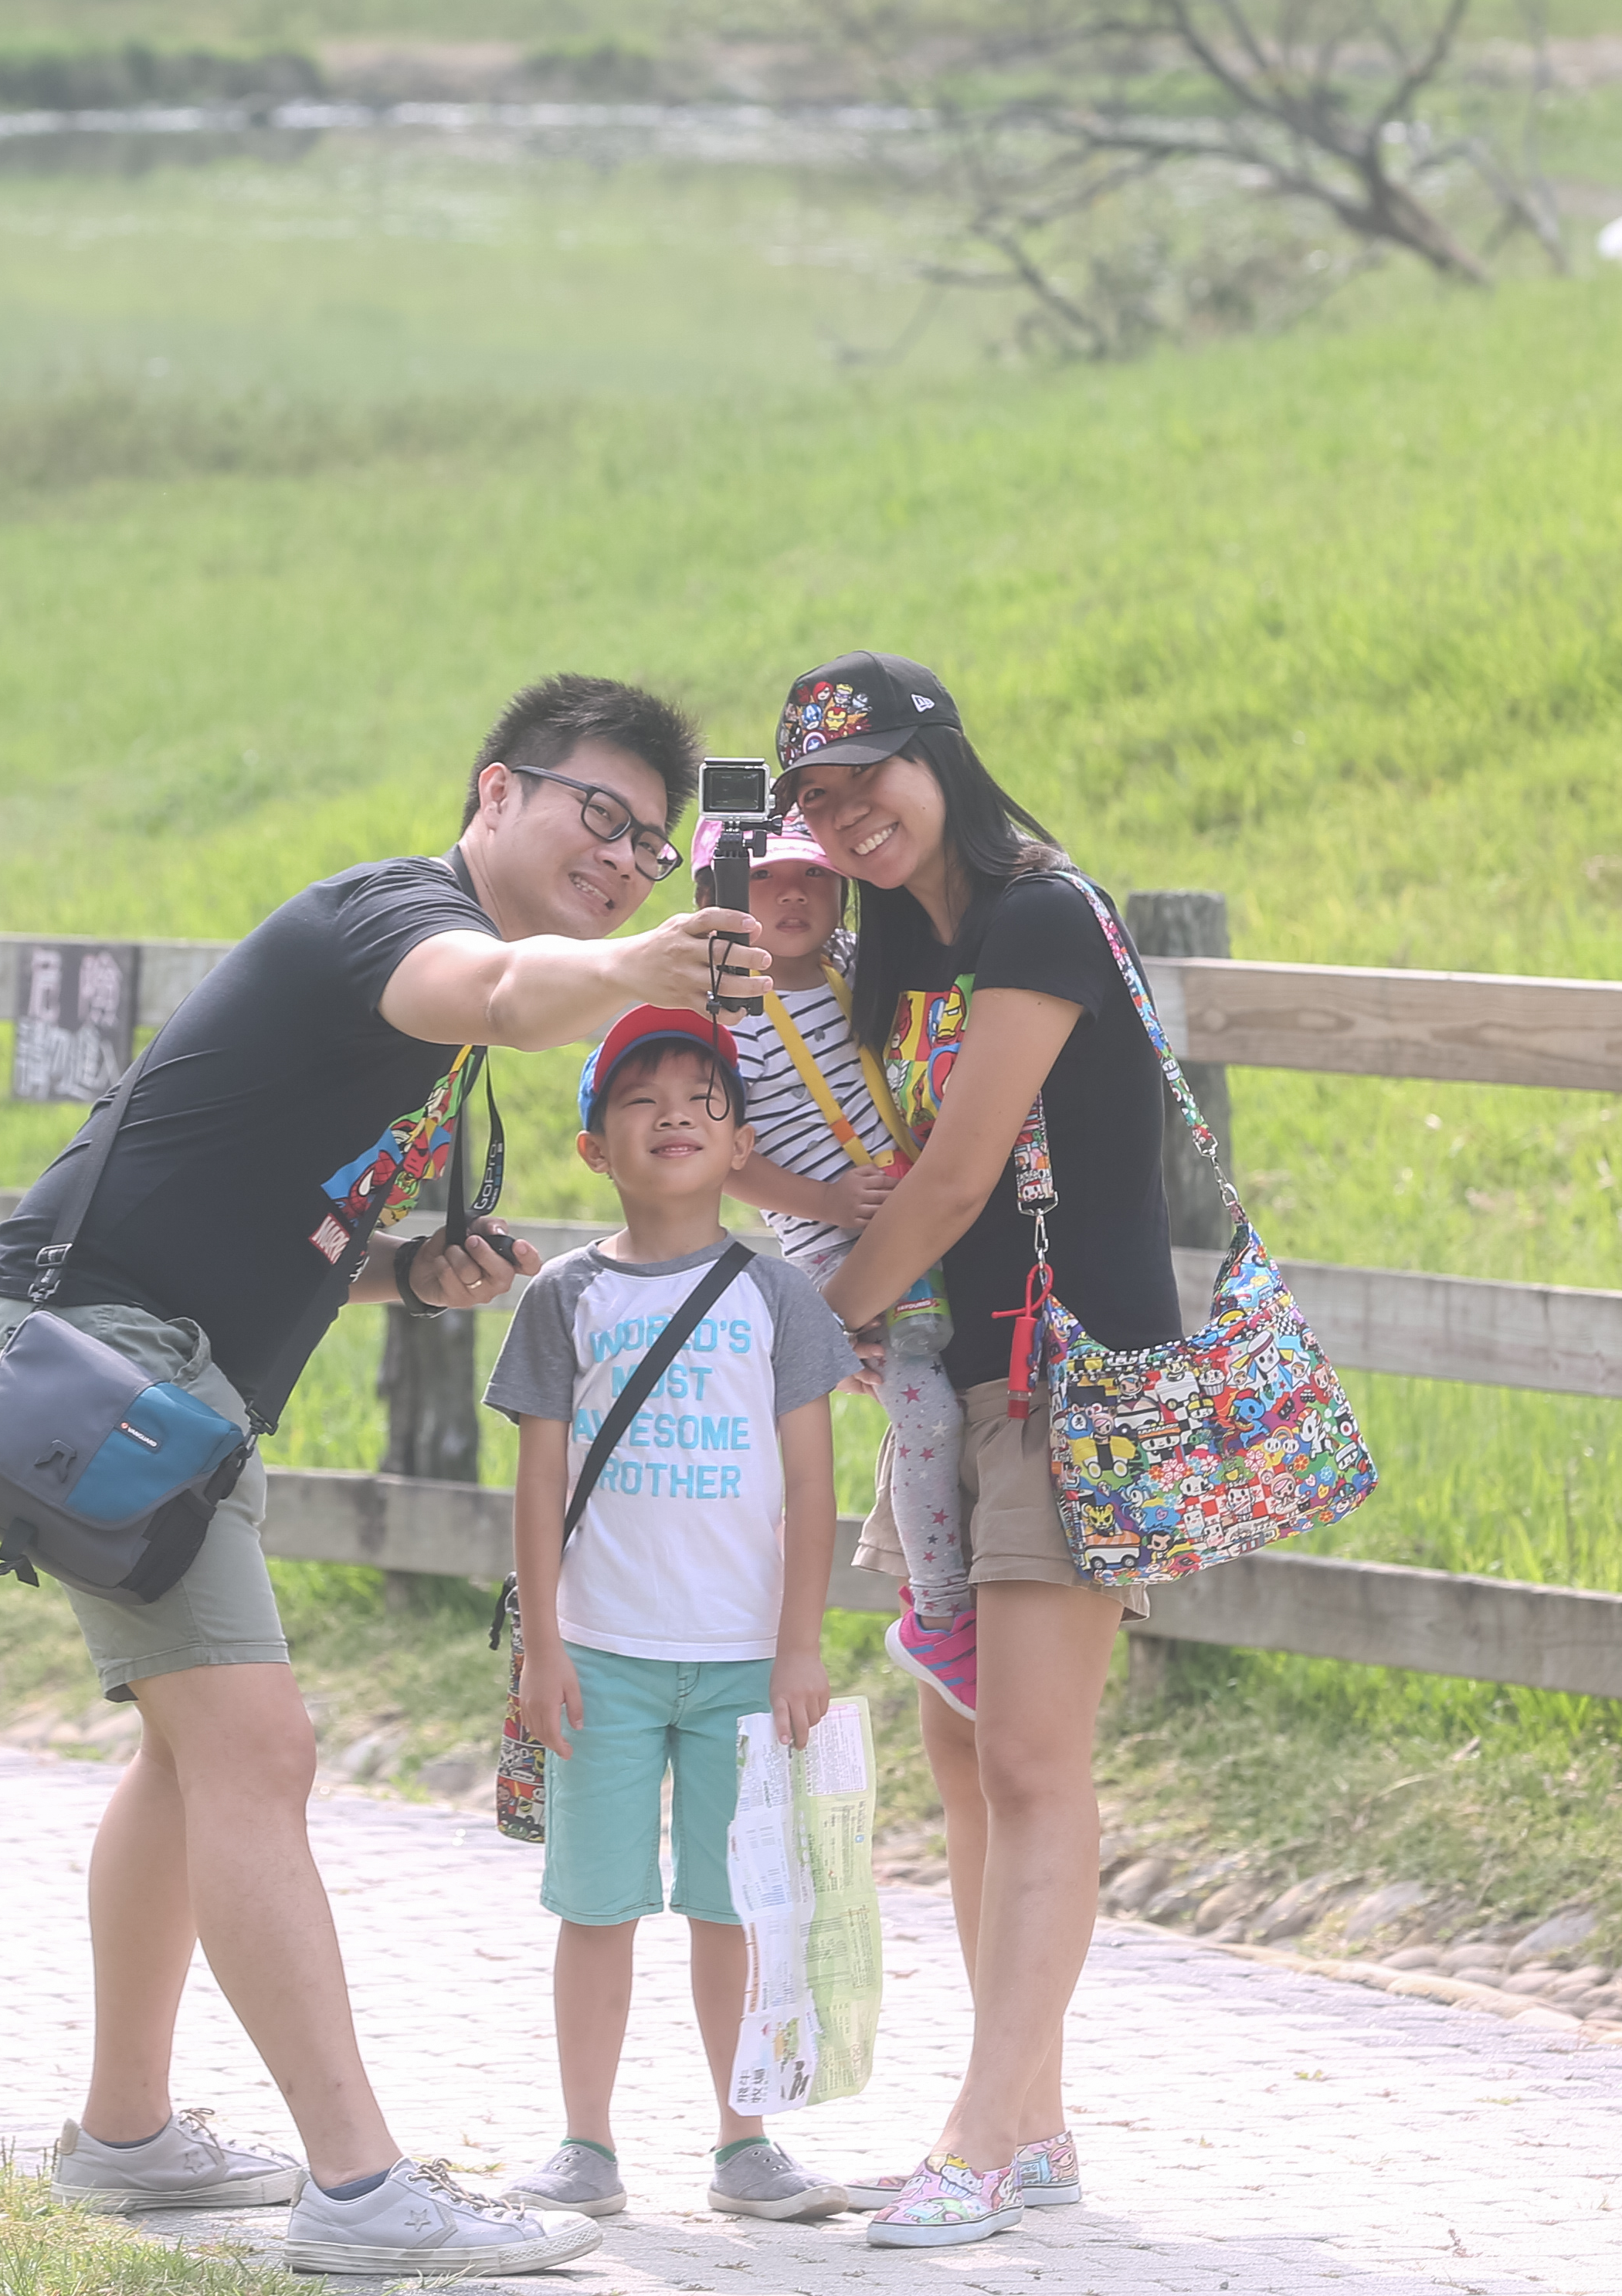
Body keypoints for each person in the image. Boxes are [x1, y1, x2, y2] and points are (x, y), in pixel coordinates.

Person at [0, 673, 757, 2280]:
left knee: (191, 1767)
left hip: (163, 1382)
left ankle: (125, 2141)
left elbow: (277, 1210)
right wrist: (630, 971)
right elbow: (510, 989)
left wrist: (403, 1275)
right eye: (598, 815)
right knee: (260, 1754)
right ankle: (360, 2186)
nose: (621, 857)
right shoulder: (387, 923)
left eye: (652, 849)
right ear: (494, 793)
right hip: (107, 1367)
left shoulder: (431, 1010)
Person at [775, 650, 1179, 2252]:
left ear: (941, 755)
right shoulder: (905, 946)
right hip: (950, 1382)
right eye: (815, 792)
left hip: (1070, 1378)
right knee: (963, 1760)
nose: (847, 811)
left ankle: (978, 2136)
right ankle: (1036, 2124)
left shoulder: (1033, 914)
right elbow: (875, 1174)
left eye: (868, 773)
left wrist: (811, 1329)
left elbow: (948, 1188)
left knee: (1029, 1759)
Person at [486, 1007, 865, 2227]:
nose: (675, 1115)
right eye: (642, 1099)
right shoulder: (564, 1297)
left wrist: (800, 1642)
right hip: (600, 1657)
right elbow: (539, 1483)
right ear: (596, 1146)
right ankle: (584, 2144)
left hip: (746, 1660)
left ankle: (743, 2142)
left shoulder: (778, 1296)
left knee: (732, 1904)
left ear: (740, 1140)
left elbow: (814, 1485)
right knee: (596, 1905)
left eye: (703, 1097)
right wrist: (542, 1649)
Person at [714, 816, 976, 1715]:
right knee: (927, 1412)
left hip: (922, 1204)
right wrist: (828, 1204)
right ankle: (937, 1615)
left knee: (958, 1394)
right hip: (838, 1237)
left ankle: (953, 1578)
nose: (794, 897)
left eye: (816, 878)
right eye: (766, 880)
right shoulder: (722, 1013)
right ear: (718, 895)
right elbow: (724, 1157)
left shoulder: (860, 961)